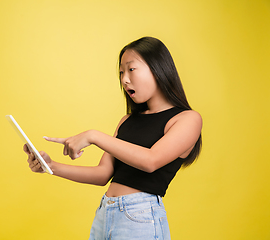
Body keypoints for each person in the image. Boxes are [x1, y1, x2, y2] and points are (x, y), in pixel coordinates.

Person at [23, 36, 202, 240]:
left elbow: (151, 161)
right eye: (121, 73)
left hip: (140, 218)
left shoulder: (187, 119)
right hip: (105, 214)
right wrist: (51, 166)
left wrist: (94, 136)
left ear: (158, 68)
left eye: (131, 69)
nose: (125, 79)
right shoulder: (127, 120)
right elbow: (103, 174)